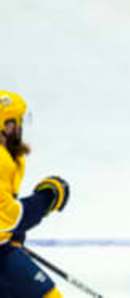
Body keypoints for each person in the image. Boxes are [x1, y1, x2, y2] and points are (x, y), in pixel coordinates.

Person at [0, 90, 70, 298]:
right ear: (7, 125)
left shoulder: (7, 157)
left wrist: (13, 236)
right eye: (19, 121)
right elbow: (8, 216)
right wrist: (48, 199)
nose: (21, 128)